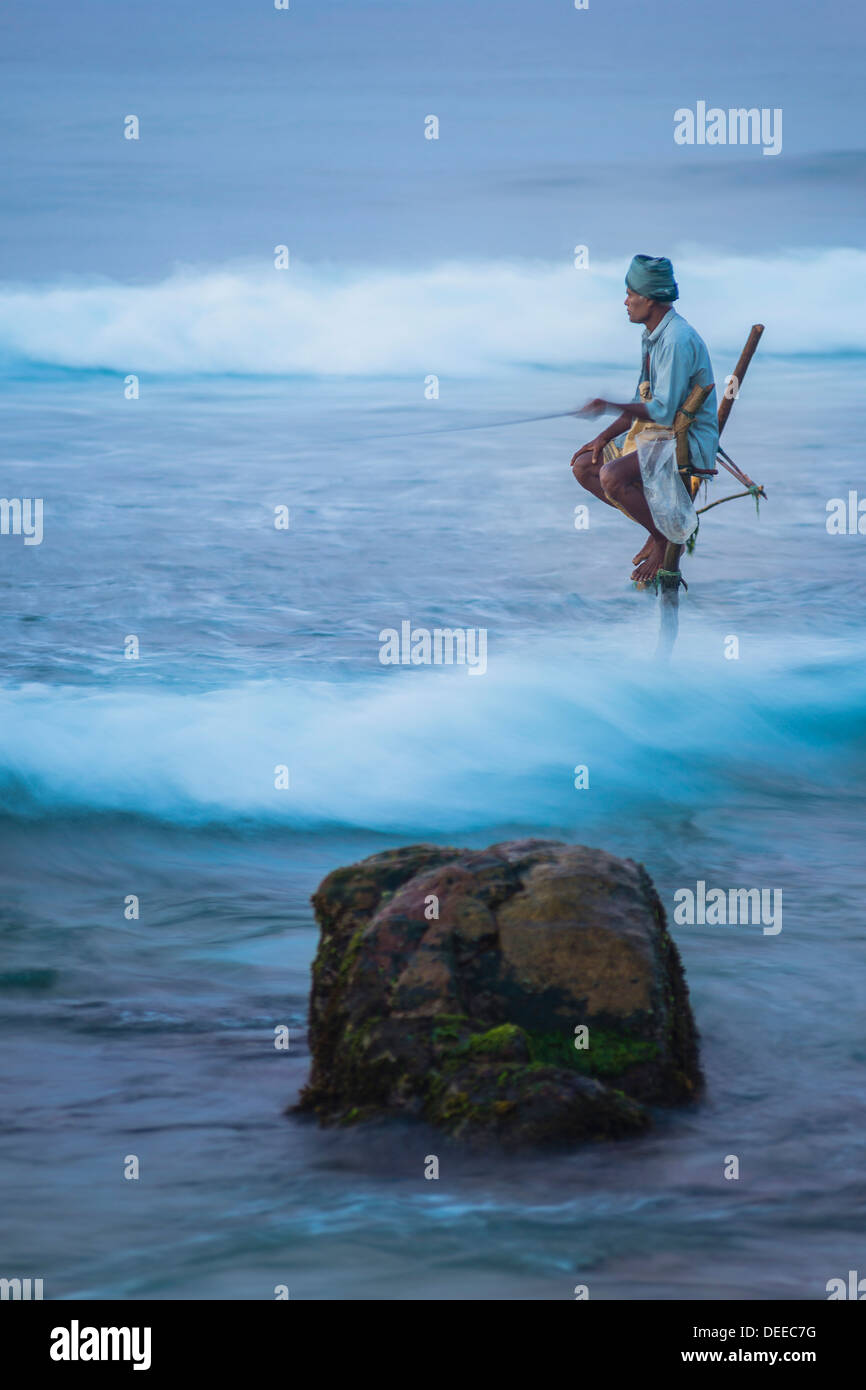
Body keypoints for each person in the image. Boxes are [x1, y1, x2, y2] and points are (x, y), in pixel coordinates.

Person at [571, 255, 719, 583]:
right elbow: (643, 400)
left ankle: (667, 538)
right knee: (584, 464)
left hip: (685, 438)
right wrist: (604, 436)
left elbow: (664, 411)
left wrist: (608, 404)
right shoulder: (652, 335)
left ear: (649, 299)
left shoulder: (677, 340)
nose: (625, 302)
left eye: (630, 294)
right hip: (658, 431)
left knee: (611, 476)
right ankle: (657, 531)